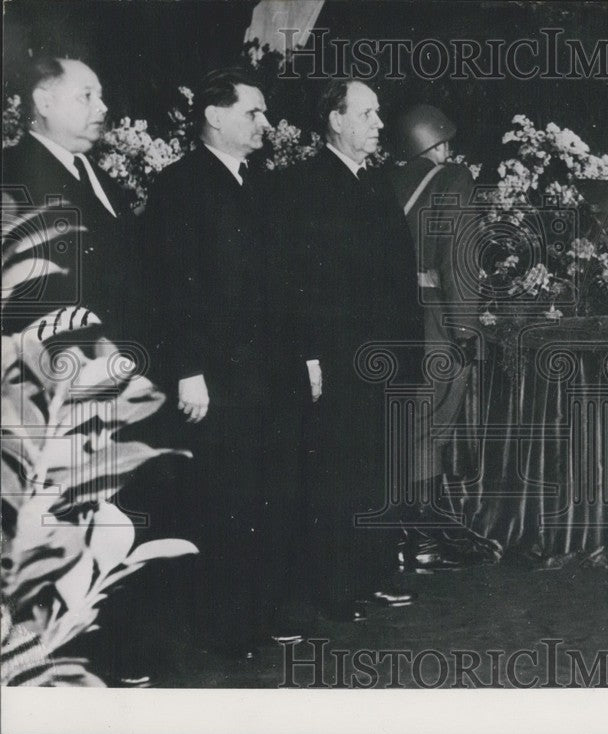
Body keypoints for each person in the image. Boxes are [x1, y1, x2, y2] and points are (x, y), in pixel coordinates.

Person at [143, 66, 306, 659]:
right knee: (225, 501)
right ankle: (223, 628)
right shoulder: (178, 186)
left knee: (270, 496)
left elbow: (286, 285)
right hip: (218, 380)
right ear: (214, 116)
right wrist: (188, 370)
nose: (266, 123)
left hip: (271, 375)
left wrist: (304, 359)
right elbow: (170, 289)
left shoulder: (261, 184)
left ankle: (258, 616)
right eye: (253, 113)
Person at [278, 79, 424, 623]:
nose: (379, 124)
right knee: (337, 474)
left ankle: (372, 574)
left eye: (379, 114)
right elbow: (301, 284)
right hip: (340, 361)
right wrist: (313, 358)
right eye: (367, 114)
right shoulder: (307, 185)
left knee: (378, 471)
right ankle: (336, 589)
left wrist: (410, 355)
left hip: (385, 361)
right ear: (336, 121)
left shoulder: (376, 183)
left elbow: (398, 278)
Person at [387, 105, 480, 526]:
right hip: (431, 315)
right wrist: (465, 326)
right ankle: (420, 536)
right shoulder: (452, 178)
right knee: (428, 421)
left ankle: (399, 535)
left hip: (385, 314)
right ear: (438, 143)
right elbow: (458, 255)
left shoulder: (383, 179)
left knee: (397, 420)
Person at [2, 57, 136, 338]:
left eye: (100, 96)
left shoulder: (104, 181)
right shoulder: (11, 174)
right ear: (45, 103)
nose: (103, 107)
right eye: (86, 96)